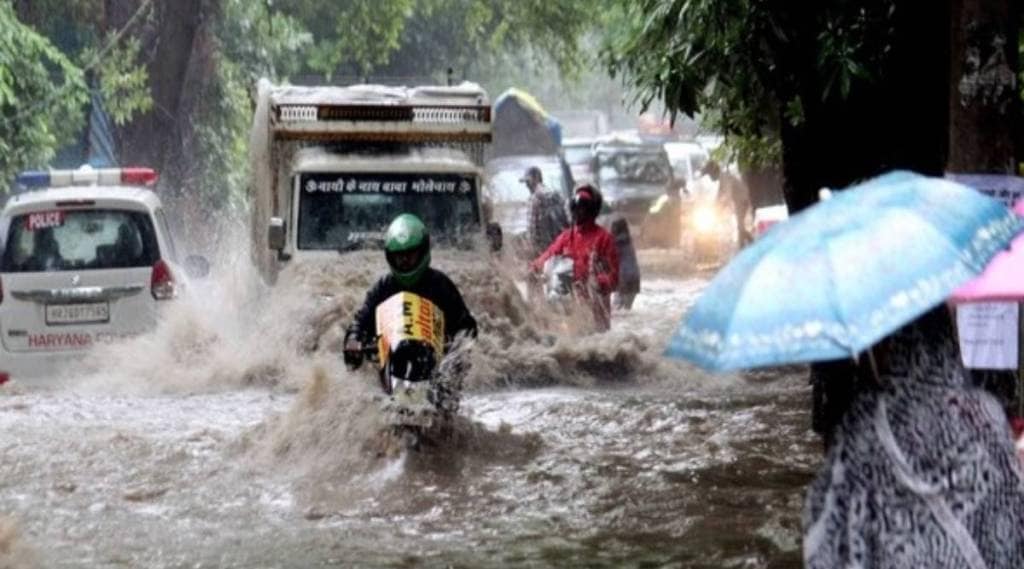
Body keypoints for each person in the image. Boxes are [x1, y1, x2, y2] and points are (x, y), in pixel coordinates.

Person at [803, 305, 1024, 569]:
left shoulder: (862, 427)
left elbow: (831, 541)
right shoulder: (984, 414)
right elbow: (1012, 522)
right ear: (947, 337)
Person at [343, 213, 477, 370]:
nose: (404, 262)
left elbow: (467, 326)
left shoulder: (441, 285)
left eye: (410, 255)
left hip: (434, 366)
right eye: (399, 257)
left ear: (422, 252)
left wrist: (456, 348)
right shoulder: (383, 287)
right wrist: (354, 340)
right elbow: (360, 322)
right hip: (392, 364)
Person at [529, 185, 619, 331]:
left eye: (582, 208)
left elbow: (614, 278)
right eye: (576, 208)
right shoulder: (566, 237)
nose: (578, 212)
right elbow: (548, 256)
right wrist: (533, 267)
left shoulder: (604, 239)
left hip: (596, 316)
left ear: (591, 211)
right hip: (570, 312)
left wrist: (596, 281)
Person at [702, 161, 753, 247]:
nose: (710, 177)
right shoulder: (722, 177)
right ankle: (749, 243)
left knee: (740, 227)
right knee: (740, 227)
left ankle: (744, 247)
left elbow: (727, 195)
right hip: (738, 201)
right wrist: (713, 207)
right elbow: (719, 194)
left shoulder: (725, 178)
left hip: (742, 200)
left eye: (709, 175)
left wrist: (719, 209)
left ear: (714, 172)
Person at [523, 166, 569, 258]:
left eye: (528, 181)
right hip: (561, 246)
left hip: (544, 251)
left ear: (536, 178)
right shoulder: (556, 194)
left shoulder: (534, 199)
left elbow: (532, 232)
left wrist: (531, 253)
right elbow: (567, 220)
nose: (526, 185)